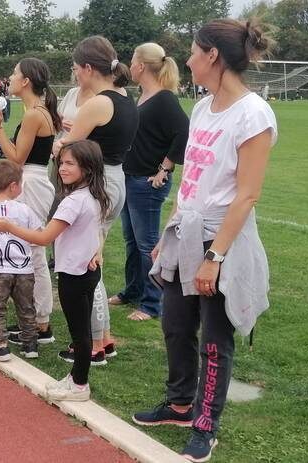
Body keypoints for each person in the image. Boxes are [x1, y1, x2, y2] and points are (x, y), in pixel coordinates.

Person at [132, 19, 277, 463]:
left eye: (194, 52)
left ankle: (205, 423)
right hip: (186, 229)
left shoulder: (253, 114)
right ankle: (179, 403)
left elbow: (247, 194)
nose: (188, 61)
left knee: (215, 337)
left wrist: (215, 257)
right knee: (175, 324)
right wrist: (169, 234)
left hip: (221, 236)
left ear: (212, 56)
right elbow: (191, 179)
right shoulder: (201, 108)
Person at [0, 140, 110, 402]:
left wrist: (9, 227)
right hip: (87, 270)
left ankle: (79, 385)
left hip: (74, 275)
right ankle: (77, 377)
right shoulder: (95, 194)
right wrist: (97, 253)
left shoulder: (73, 202)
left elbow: (44, 238)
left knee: (80, 333)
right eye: (61, 162)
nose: (62, 168)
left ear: (87, 168)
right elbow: (97, 231)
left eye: (69, 164)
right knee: (83, 331)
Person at [54, 35, 138, 364]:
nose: (75, 75)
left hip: (99, 183)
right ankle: (101, 337)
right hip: (115, 178)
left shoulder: (98, 103)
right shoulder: (125, 97)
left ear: (89, 68)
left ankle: (91, 343)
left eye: (76, 69)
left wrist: (60, 141)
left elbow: (67, 149)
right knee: (94, 259)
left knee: (85, 265)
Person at [0, 57, 61, 347]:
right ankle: (34, 319)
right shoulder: (35, 111)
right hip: (31, 179)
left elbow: (18, 157)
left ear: (26, 82)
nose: (9, 78)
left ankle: (41, 323)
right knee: (30, 250)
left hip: (32, 181)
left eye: (14, 74)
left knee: (34, 252)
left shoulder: (35, 113)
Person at [110, 42, 190, 322]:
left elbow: (183, 132)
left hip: (147, 183)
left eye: (132, 60)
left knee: (148, 245)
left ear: (141, 66)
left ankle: (152, 303)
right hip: (130, 177)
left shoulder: (165, 99)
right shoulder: (142, 97)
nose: (129, 66)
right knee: (132, 242)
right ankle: (132, 291)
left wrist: (164, 169)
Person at [0, 160, 42, 361]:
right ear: (14, 186)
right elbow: (37, 236)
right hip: (24, 270)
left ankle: (1, 345)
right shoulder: (25, 210)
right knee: (26, 307)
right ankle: (30, 345)